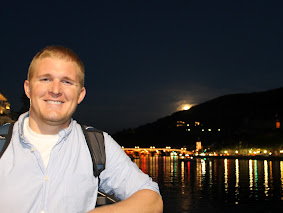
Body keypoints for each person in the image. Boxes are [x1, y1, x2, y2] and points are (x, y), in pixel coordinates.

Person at [0, 45, 163, 213]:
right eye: (45, 79)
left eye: (67, 82)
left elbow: (152, 199)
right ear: (28, 88)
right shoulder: (2, 143)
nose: (55, 90)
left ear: (80, 94)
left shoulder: (98, 146)